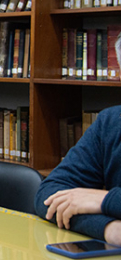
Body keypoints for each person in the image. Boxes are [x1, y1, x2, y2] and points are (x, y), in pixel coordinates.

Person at [34, 33, 121, 245]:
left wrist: (104, 200)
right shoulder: (111, 122)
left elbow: (97, 200)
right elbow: (49, 195)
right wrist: (109, 229)